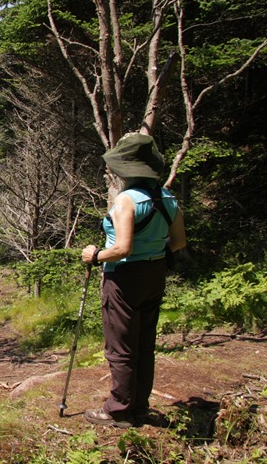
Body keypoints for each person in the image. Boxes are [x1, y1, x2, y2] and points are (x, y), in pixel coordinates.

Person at [81, 132, 187, 428]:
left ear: (123, 169)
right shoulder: (167, 198)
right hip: (155, 274)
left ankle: (118, 411)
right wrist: (153, 250)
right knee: (144, 343)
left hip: (125, 278)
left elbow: (122, 249)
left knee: (121, 345)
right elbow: (179, 242)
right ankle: (139, 407)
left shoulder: (127, 200)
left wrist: (94, 255)